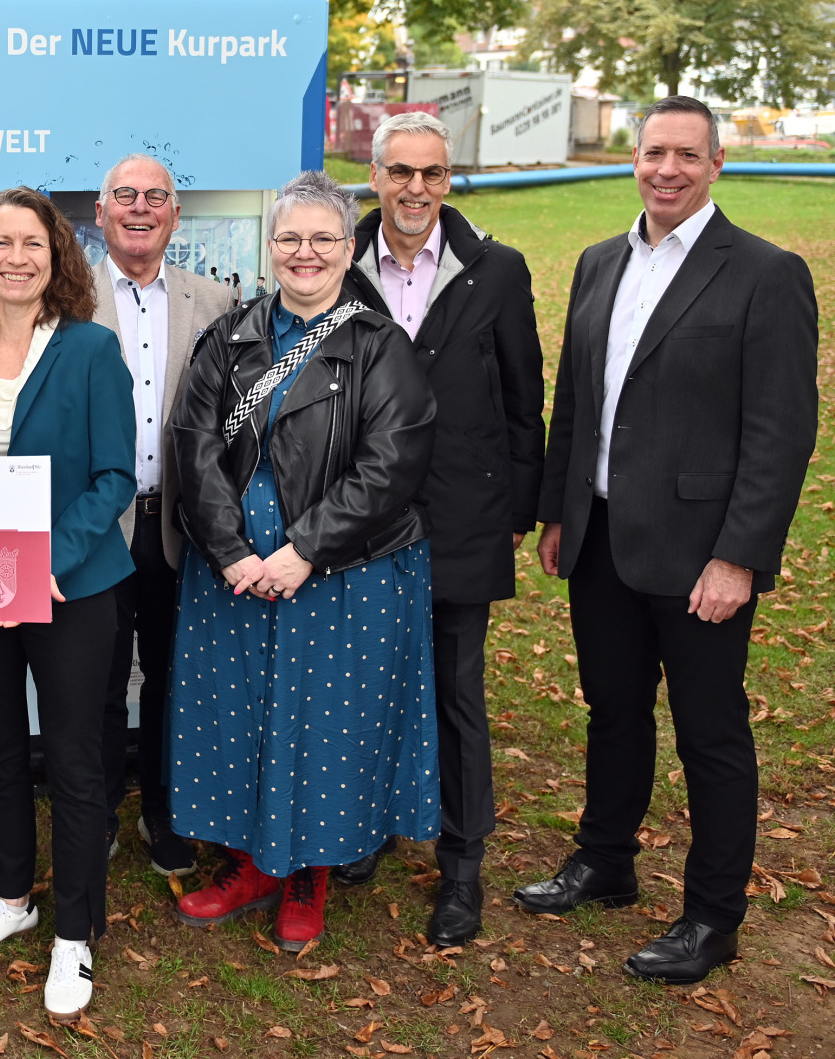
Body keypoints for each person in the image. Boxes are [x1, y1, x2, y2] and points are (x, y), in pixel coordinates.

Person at [522, 95, 818, 984]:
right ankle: (606, 859)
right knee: (612, 710)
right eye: (654, 152)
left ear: (717, 164)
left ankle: (711, 916)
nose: (668, 170)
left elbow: (781, 432)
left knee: (709, 733)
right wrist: (559, 509)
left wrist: (740, 556)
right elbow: (577, 398)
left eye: (688, 155)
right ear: (634, 159)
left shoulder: (765, 273)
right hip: (602, 533)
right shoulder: (598, 261)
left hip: (700, 553)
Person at [166, 170, 438, 952]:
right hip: (235, 574)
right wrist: (230, 552)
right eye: (290, 238)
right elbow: (195, 446)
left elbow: (391, 464)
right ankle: (251, 862)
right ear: (270, 246)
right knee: (241, 716)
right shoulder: (234, 335)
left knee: (323, 727)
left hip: (342, 571)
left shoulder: (379, 345)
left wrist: (303, 552)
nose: (306, 253)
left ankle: (310, 874)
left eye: (324, 238)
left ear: (349, 247)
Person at [0, 187, 136, 1021]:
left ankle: (76, 935)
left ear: (58, 257)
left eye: (32, 244)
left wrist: (54, 557)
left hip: (71, 583)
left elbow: (117, 475)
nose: (16, 257)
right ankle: (12, 898)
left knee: (78, 761)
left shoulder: (89, 349)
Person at [337, 112, 545, 945]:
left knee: (456, 695)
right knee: (368, 684)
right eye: (399, 172)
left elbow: (524, 403)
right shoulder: (333, 265)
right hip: (358, 526)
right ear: (376, 177)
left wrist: (518, 516)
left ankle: (462, 865)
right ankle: (368, 833)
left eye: (430, 173)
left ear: (448, 180)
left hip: (463, 520)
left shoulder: (498, 271)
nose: (414, 188)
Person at [88, 155, 231, 876]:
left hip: (182, 524)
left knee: (176, 679)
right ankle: (102, 810)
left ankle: (165, 813)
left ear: (176, 215)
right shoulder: (64, 297)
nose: (139, 208)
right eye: (125, 196)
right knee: (100, 678)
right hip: (97, 525)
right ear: (100, 212)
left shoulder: (217, 304)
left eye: (155, 198)